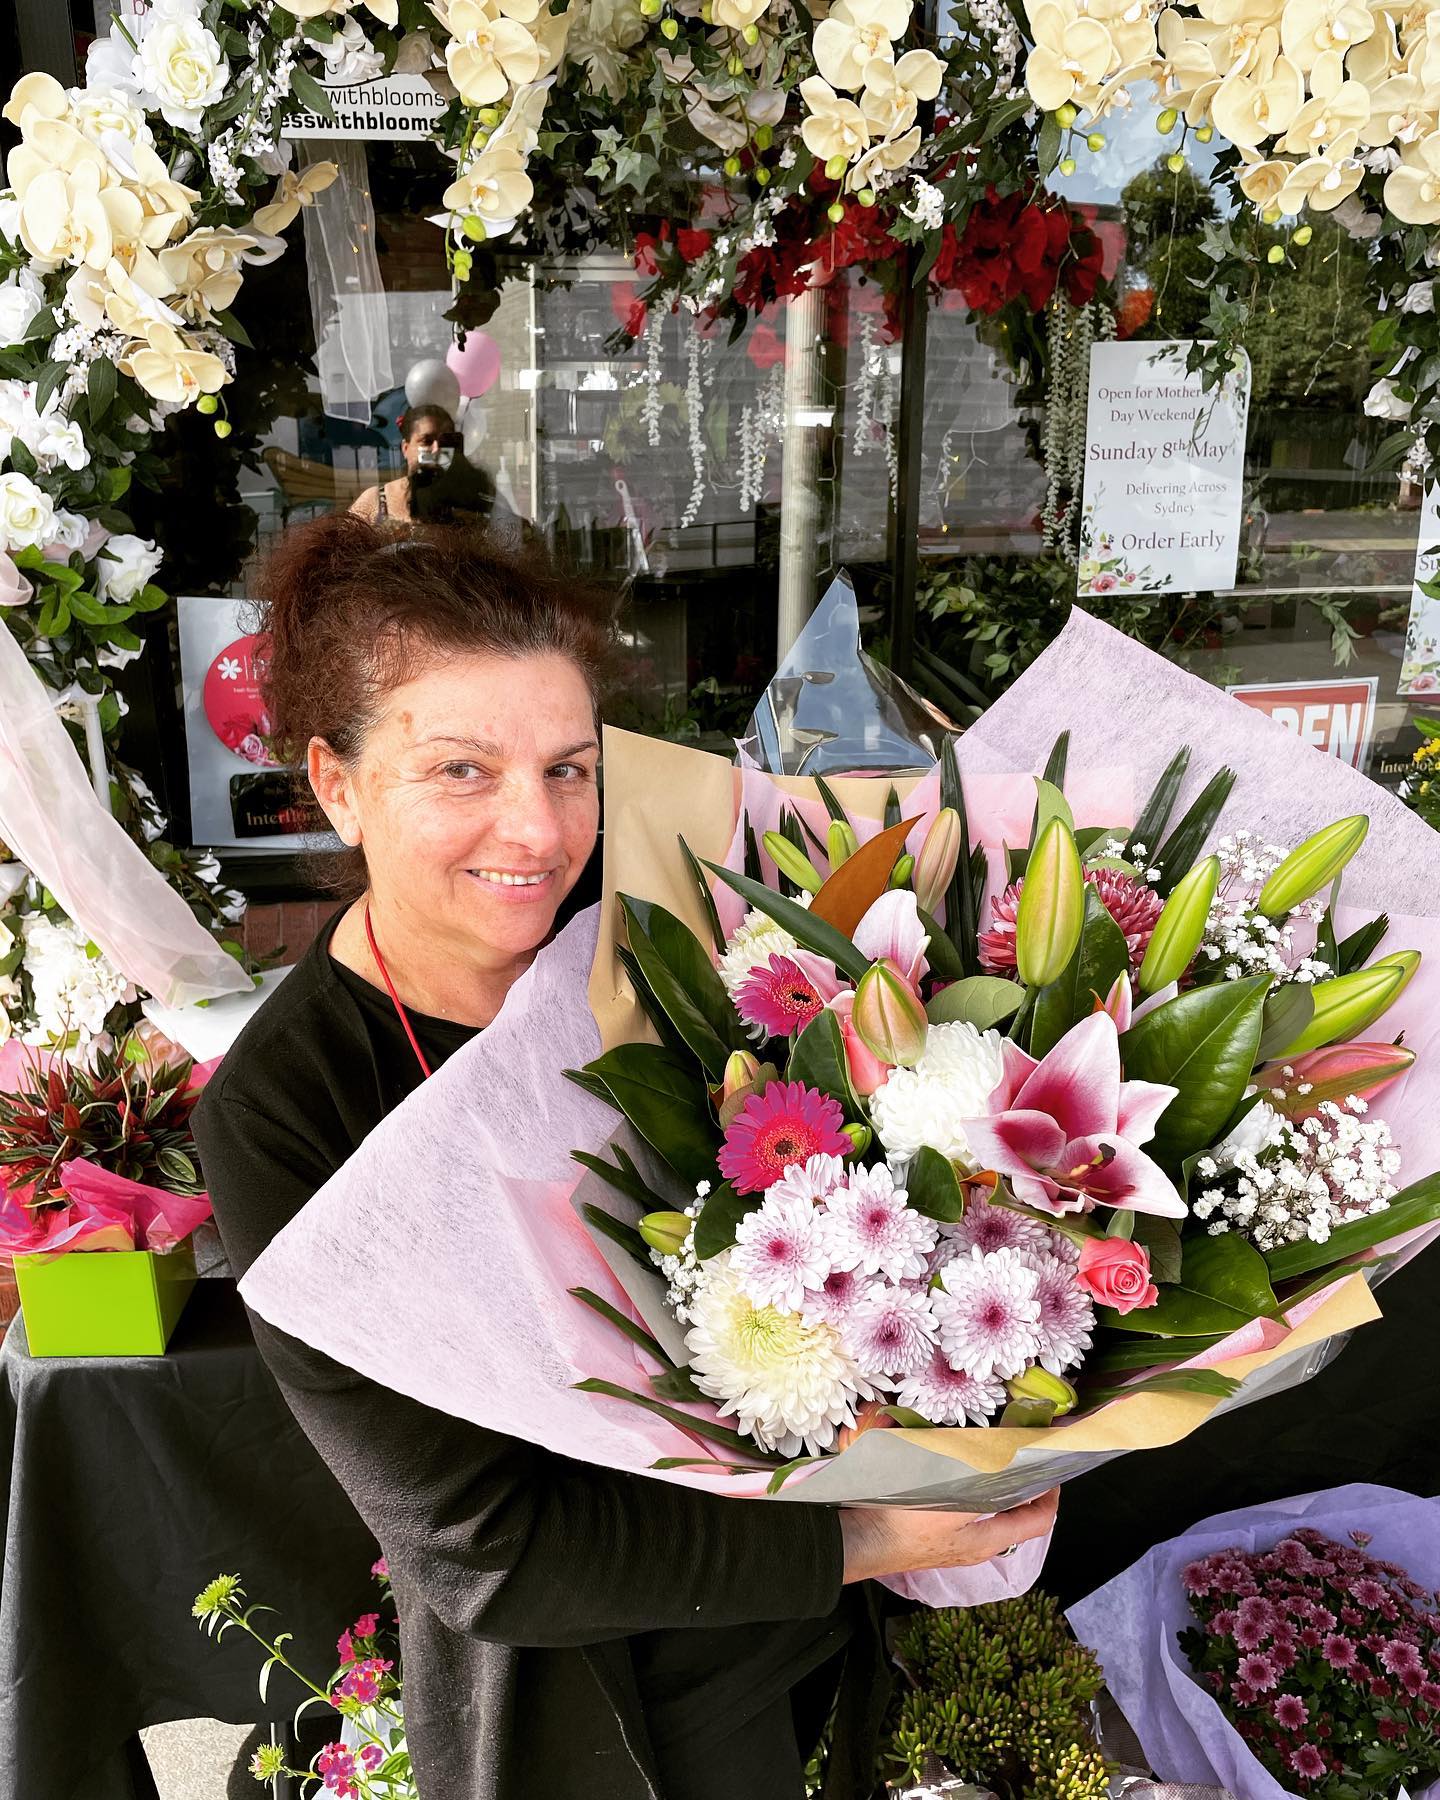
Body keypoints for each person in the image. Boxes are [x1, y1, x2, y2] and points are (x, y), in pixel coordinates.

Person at [193, 514, 1057, 1800]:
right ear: (335, 783)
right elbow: (479, 1546)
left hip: (825, 1639)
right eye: (461, 771)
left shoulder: (672, 943)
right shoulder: (286, 1108)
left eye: (569, 768)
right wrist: (869, 1535)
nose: (537, 831)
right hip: (584, 1699)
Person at [348, 404, 455, 526]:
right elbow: (341, 543)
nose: (436, 450)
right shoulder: (375, 501)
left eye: (446, 442)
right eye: (427, 441)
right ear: (405, 448)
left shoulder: (464, 504)